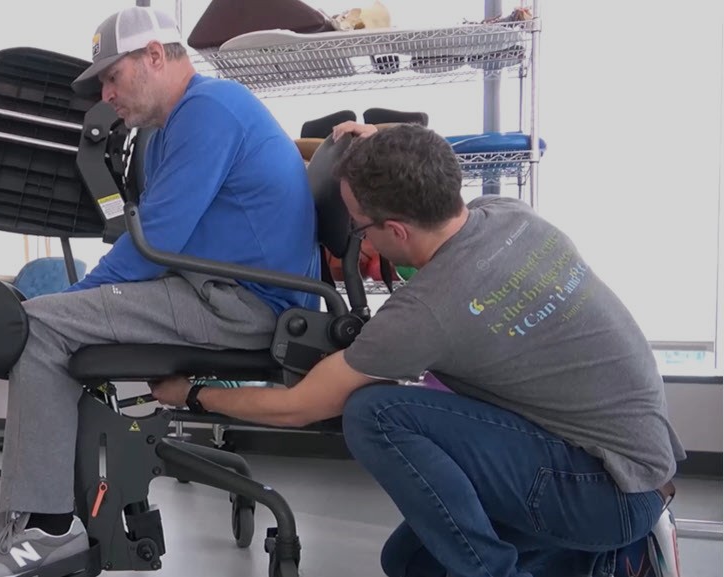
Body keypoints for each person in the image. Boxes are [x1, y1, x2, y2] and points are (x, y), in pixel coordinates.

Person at [150, 121, 687, 577]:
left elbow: (300, 406)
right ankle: (609, 561)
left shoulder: (426, 312)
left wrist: (195, 395)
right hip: (639, 467)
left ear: (396, 231)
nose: (358, 238)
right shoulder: (507, 215)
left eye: (359, 227)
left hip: (607, 491)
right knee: (410, 562)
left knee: (372, 412)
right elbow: (435, 167)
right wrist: (384, 140)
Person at [0, 6, 322, 577]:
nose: (106, 93)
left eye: (112, 76)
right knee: (52, 319)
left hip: (245, 305)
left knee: (40, 324)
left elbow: (158, 241)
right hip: (222, 291)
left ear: (155, 56)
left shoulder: (208, 112)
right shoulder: (184, 120)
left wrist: (82, 298)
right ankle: (28, 509)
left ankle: (49, 528)